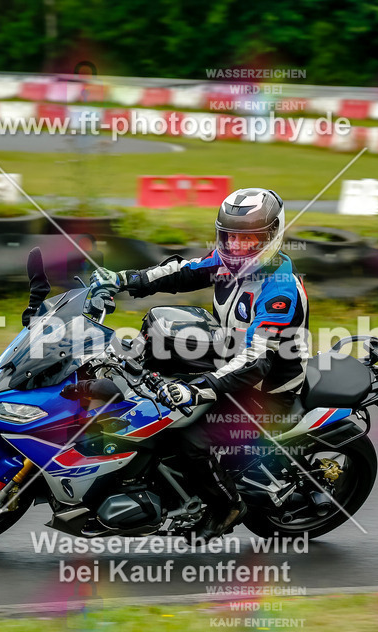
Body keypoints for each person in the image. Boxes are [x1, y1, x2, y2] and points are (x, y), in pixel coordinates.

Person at [89, 188, 310, 540]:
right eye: (230, 237)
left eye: (248, 239)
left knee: (191, 439)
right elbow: (182, 272)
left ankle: (227, 506)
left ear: (272, 236)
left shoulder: (279, 290)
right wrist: (122, 280)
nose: (237, 247)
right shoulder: (227, 263)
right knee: (149, 343)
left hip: (265, 390)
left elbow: (256, 362)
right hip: (231, 360)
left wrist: (196, 387)